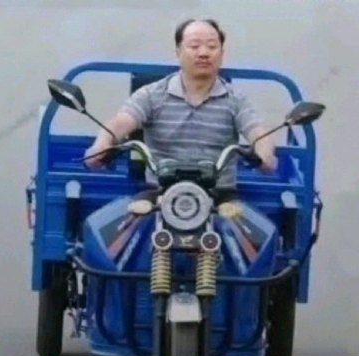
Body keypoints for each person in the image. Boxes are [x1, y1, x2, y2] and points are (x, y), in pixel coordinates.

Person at [84, 18, 277, 211]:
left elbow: (258, 132)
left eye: (212, 47)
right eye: (194, 46)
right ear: (178, 52)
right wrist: (101, 145)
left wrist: (265, 154)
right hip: (160, 191)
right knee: (128, 222)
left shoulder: (236, 99)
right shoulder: (152, 94)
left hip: (221, 195)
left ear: (222, 54)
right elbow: (121, 122)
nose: (203, 53)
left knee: (243, 226)